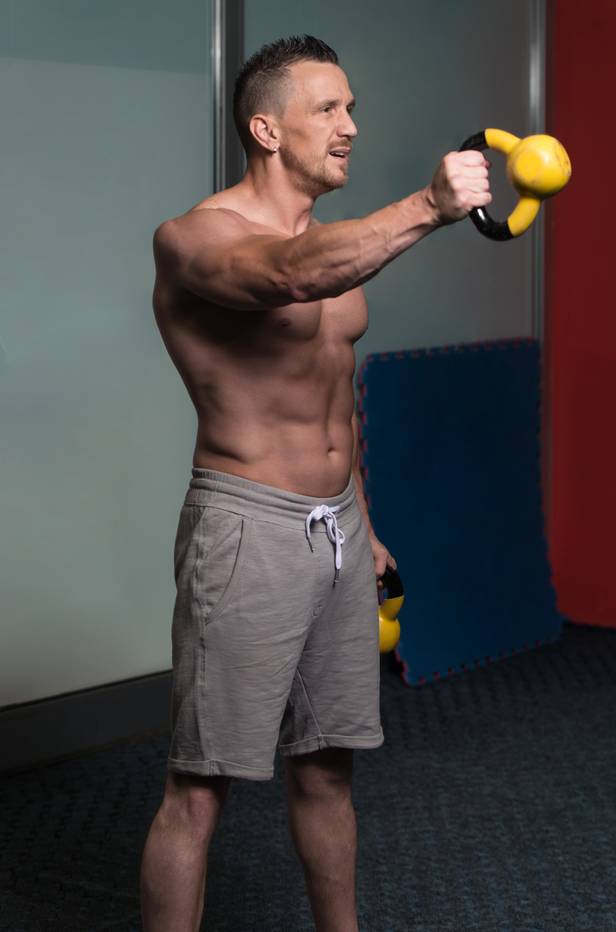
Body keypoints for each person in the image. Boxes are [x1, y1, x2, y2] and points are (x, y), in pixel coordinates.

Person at [139, 34, 490, 932]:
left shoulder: (336, 243)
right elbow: (288, 279)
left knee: (329, 766)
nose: (350, 128)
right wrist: (427, 205)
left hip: (335, 530)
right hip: (247, 527)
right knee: (200, 789)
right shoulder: (197, 239)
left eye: (352, 108)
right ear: (266, 128)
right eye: (327, 110)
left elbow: (334, 401)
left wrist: (361, 522)